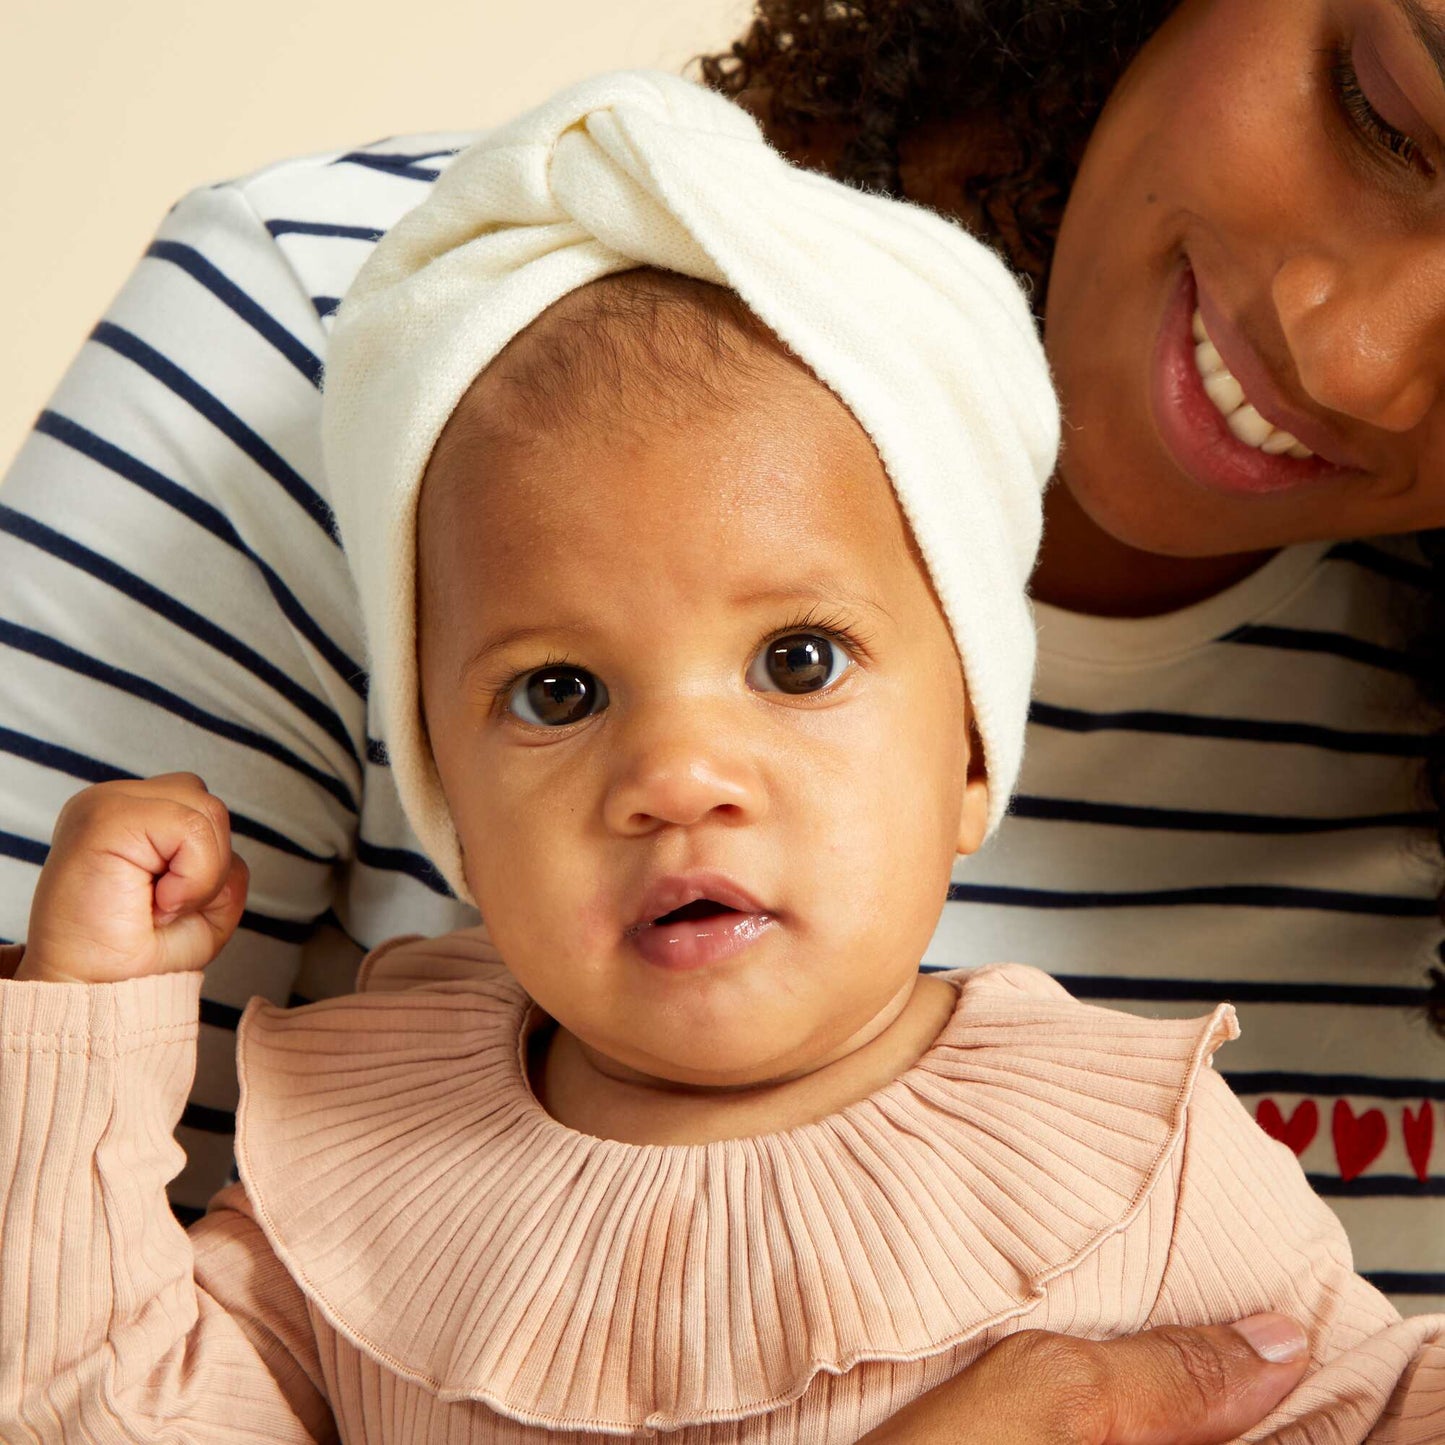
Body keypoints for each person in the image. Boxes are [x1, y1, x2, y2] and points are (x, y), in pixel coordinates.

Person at [2, 0, 1440, 1435]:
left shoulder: (1135, 1149)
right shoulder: (354, 1161)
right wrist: (79, 1043)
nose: (675, 774)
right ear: (443, 790)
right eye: (558, 692)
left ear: (970, 756)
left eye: (800, 661)